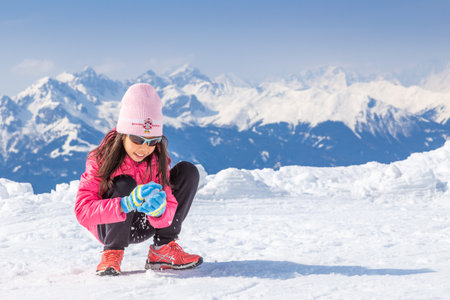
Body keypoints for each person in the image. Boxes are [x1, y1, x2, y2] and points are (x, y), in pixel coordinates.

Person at [75, 83, 202, 276]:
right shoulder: (100, 160)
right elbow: (82, 211)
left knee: (188, 171)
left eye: (152, 141)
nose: (145, 148)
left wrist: (160, 211)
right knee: (124, 182)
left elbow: (169, 202)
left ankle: (163, 250)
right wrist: (125, 204)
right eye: (138, 139)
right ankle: (112, 253)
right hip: (109, 226)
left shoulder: (157, 160)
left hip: (144, 224)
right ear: (123, 134)